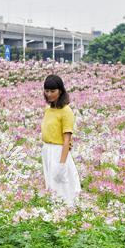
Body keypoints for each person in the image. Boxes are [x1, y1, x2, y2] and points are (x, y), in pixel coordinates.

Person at [41, 74, 81, 206]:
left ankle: (66, 212)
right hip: (47, 150)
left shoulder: (66, 111)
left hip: (59, 152)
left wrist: (62, 164)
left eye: (53, 91)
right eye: (47, 91)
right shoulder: (49, 110)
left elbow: (66, 140)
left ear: (60, 91)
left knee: (62, 185)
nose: (49, 94)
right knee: (51, 185)